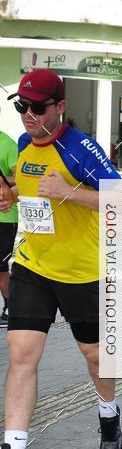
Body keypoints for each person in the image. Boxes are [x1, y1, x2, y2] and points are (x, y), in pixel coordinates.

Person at [0, 69, 122, 449]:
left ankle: (109, 413)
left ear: (60, 107)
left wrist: (68, 192)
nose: (29, 115)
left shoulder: (80, 149)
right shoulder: (22, 145)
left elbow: (120, 202)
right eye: (22, 106)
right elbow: (32, 185)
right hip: (33, 266)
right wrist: (13, 194)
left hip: (82, 273)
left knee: (95, 357)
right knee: (21, 355)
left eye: (38, 107)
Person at [0, 130, 18, 327]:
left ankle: (13, 309)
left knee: (1, 269)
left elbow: (23, 176)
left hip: (4, 218)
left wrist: (4, 180)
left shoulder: (7, 144)